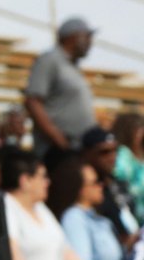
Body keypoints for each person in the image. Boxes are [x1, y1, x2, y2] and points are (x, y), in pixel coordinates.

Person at [25, 17, 97, 161]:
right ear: (72, 36)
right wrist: (60, 141)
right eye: (87, 36)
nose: (90, 42)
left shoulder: (72, 65)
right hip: (56, 151)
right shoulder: (50, 60)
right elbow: (33, 102)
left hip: (74, 148)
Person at [112, 111, 144, 224]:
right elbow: (123, 184)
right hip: (131, 214)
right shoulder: (123, 155)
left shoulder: (139, 155)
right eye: (137, 130)